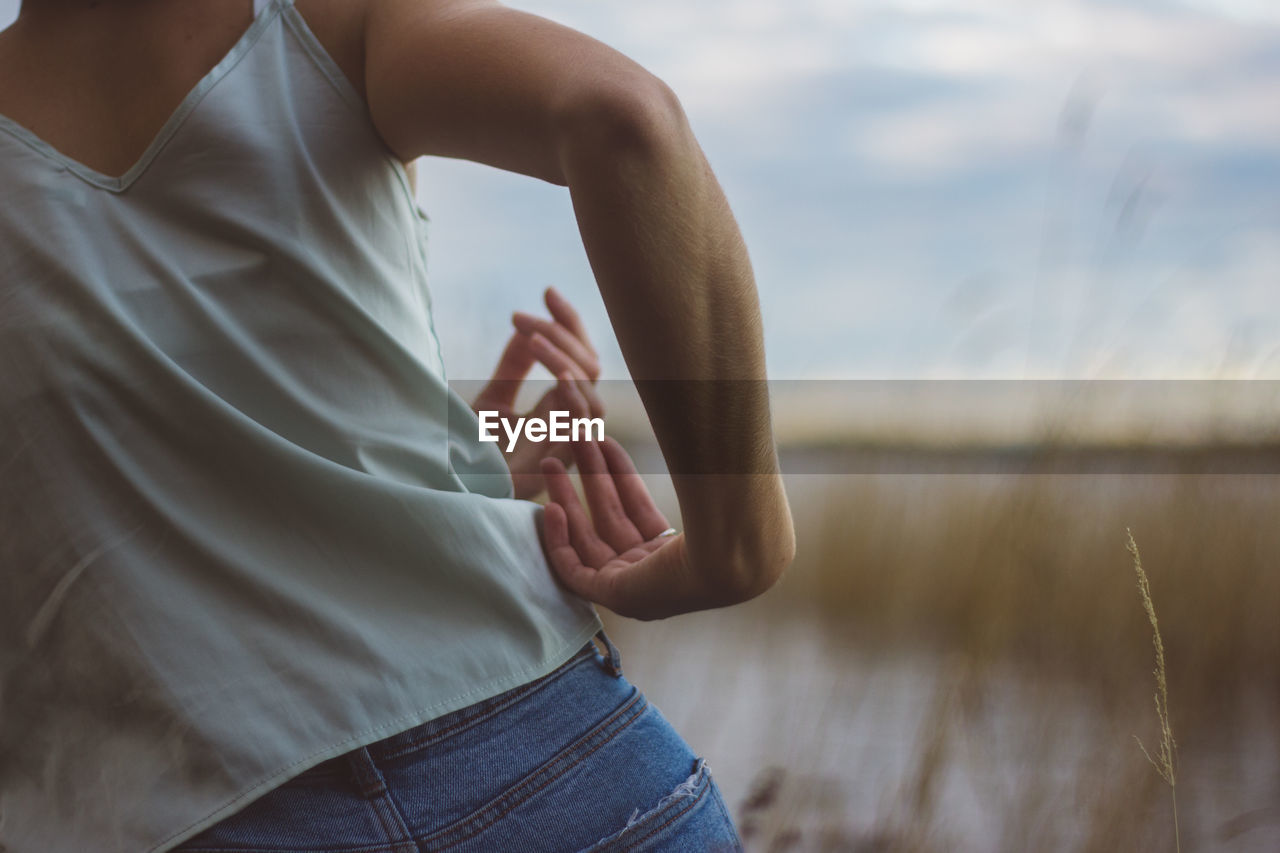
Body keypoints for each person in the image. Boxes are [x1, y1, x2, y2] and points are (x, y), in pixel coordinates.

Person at [0, 0, 795, 850]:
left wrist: (469, 465)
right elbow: (625, 118)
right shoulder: (327, 24)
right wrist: (735, 541)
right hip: (560, 758)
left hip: (190, 806)